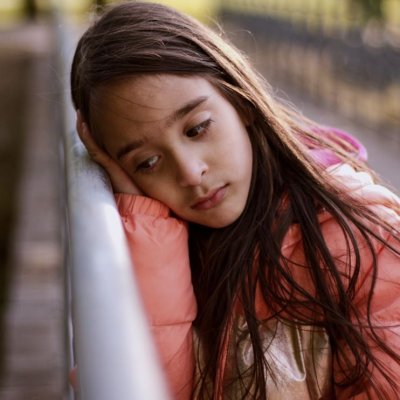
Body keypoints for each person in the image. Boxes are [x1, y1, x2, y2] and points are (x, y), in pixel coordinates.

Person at [70, 2, 400, 399]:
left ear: (240, 100)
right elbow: (155, 389)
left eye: (197, 128)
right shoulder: (171, 246)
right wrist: (148, 223)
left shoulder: (357, 235)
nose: (191, 173)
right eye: (148, 162)